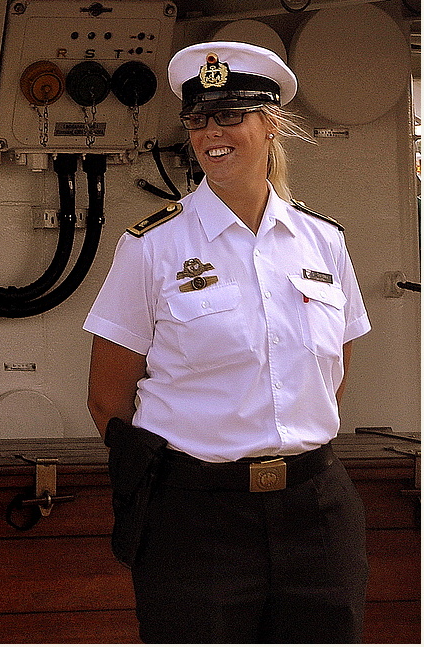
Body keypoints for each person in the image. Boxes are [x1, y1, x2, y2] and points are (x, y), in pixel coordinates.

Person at [84, 41, 371, 644]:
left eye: (231, 116)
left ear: (271, 126)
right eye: (198, 119)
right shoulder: (153, 246)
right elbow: (109, 394)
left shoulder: (324, 243)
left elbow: (334, 372)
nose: (212, 133)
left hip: (314, 513)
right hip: (197, 518)